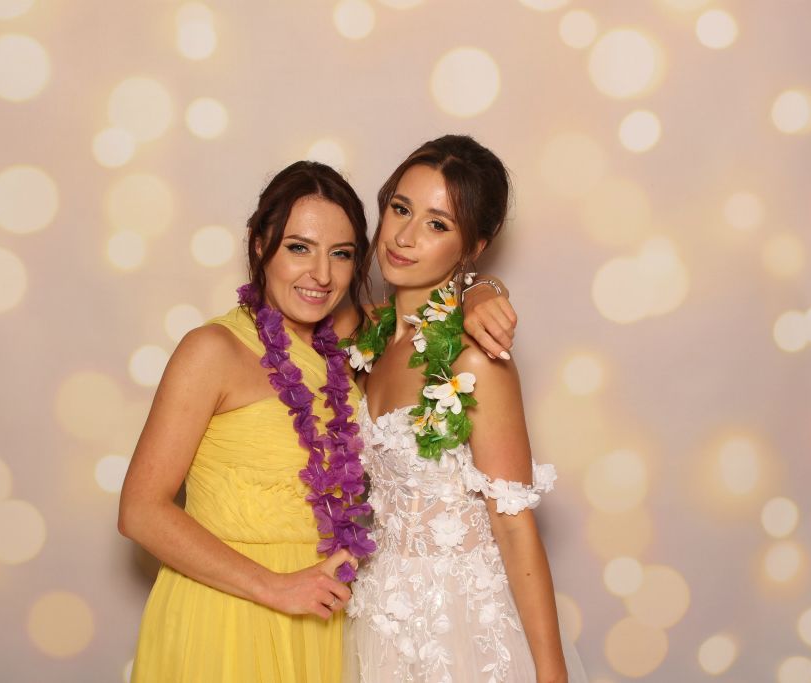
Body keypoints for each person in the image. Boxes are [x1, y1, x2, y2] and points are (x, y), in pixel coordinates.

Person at [118, 160, 520, 682]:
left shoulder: (353, 345)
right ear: (260, 244)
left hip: (324, 623)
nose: (321, 275)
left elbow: (435, 300)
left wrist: (484, 289)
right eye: (299, 248)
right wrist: (275, 587)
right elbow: (140, 512)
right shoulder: (211, 351)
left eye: (342, 254)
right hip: (227, 616)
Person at [343, 136, 588, 683]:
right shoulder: (367, 337)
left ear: (472, 245)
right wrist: (482, 287)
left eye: (437, 224)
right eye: (400, 209)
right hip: (375, 618)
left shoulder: (476, 358)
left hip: (460, 631)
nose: (404, 237)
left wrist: (551, 673)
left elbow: (514, 525)